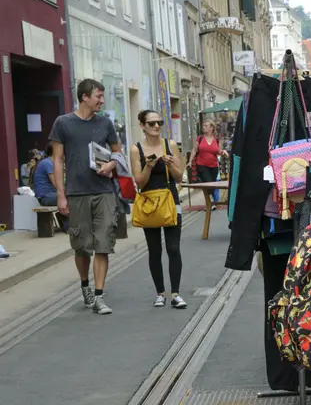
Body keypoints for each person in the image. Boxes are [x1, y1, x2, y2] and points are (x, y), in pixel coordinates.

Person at [50, 78, 122, 315]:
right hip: (77, 192)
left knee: (103, 244)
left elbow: (117, 153)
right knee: (81, 247)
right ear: (84, 97)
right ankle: (85, 285)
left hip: (103, 191)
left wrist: (111, 164)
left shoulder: (105, 124)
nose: (101, 101)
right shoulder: (63, 123)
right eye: (98, 97)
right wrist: (61, 195)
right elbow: (57, 160)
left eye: (102, 97)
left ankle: (99, 296)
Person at [130, 110, 188, 309]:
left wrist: (171, 166)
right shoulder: (136, 149)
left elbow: (180, 177)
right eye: (152, 123)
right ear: (142, 126)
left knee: (173, 248)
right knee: (154, 250)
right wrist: (148, 166)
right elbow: (139, 182)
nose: (156, 126)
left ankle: (176, 293)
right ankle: (160, 293)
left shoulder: (170, 145)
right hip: (149, 203)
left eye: (159, 123)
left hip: (170, 200)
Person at [188, 120, 228, 208]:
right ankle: (211, 202)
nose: (203, 127)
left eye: (206, 126)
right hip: (201, 164)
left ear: (211, 128)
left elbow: (219, 151)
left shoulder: (216, 140)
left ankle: (210, 203)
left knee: (211, 184)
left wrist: (223, 152)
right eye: (203, 126)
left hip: (214, 166)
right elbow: (194, 150)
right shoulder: (200, 138)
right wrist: (190, 161)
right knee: (208, 181)